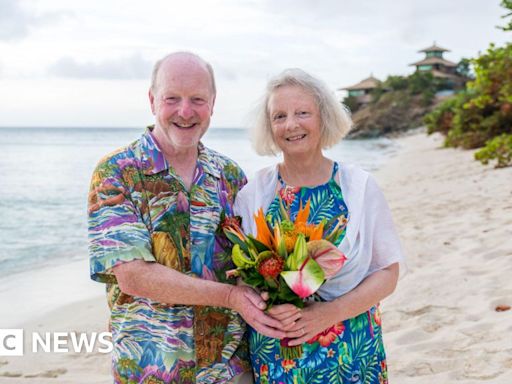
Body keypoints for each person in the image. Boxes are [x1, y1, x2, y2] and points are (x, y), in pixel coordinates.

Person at [87, 52, 286, 384]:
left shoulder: (230, 176)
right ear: (152, 101)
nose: (185, 111)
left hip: (230, 369)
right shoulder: (117, 173)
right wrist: (230, 296)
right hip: (151, 370)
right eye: (172, 99)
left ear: (212, 103)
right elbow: (133, 277)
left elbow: (253, 263)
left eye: (197, 100)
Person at [234, 68, 404, 384]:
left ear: (323, 118)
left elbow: (387, 273)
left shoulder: (359, 187)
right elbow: (244, 277)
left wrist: (328, 314)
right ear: (269, 127)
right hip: (281, 350)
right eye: (279, 116)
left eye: (303, 113)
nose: (291, 124)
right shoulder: (254, 193)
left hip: (351, 347)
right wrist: (268, 305)